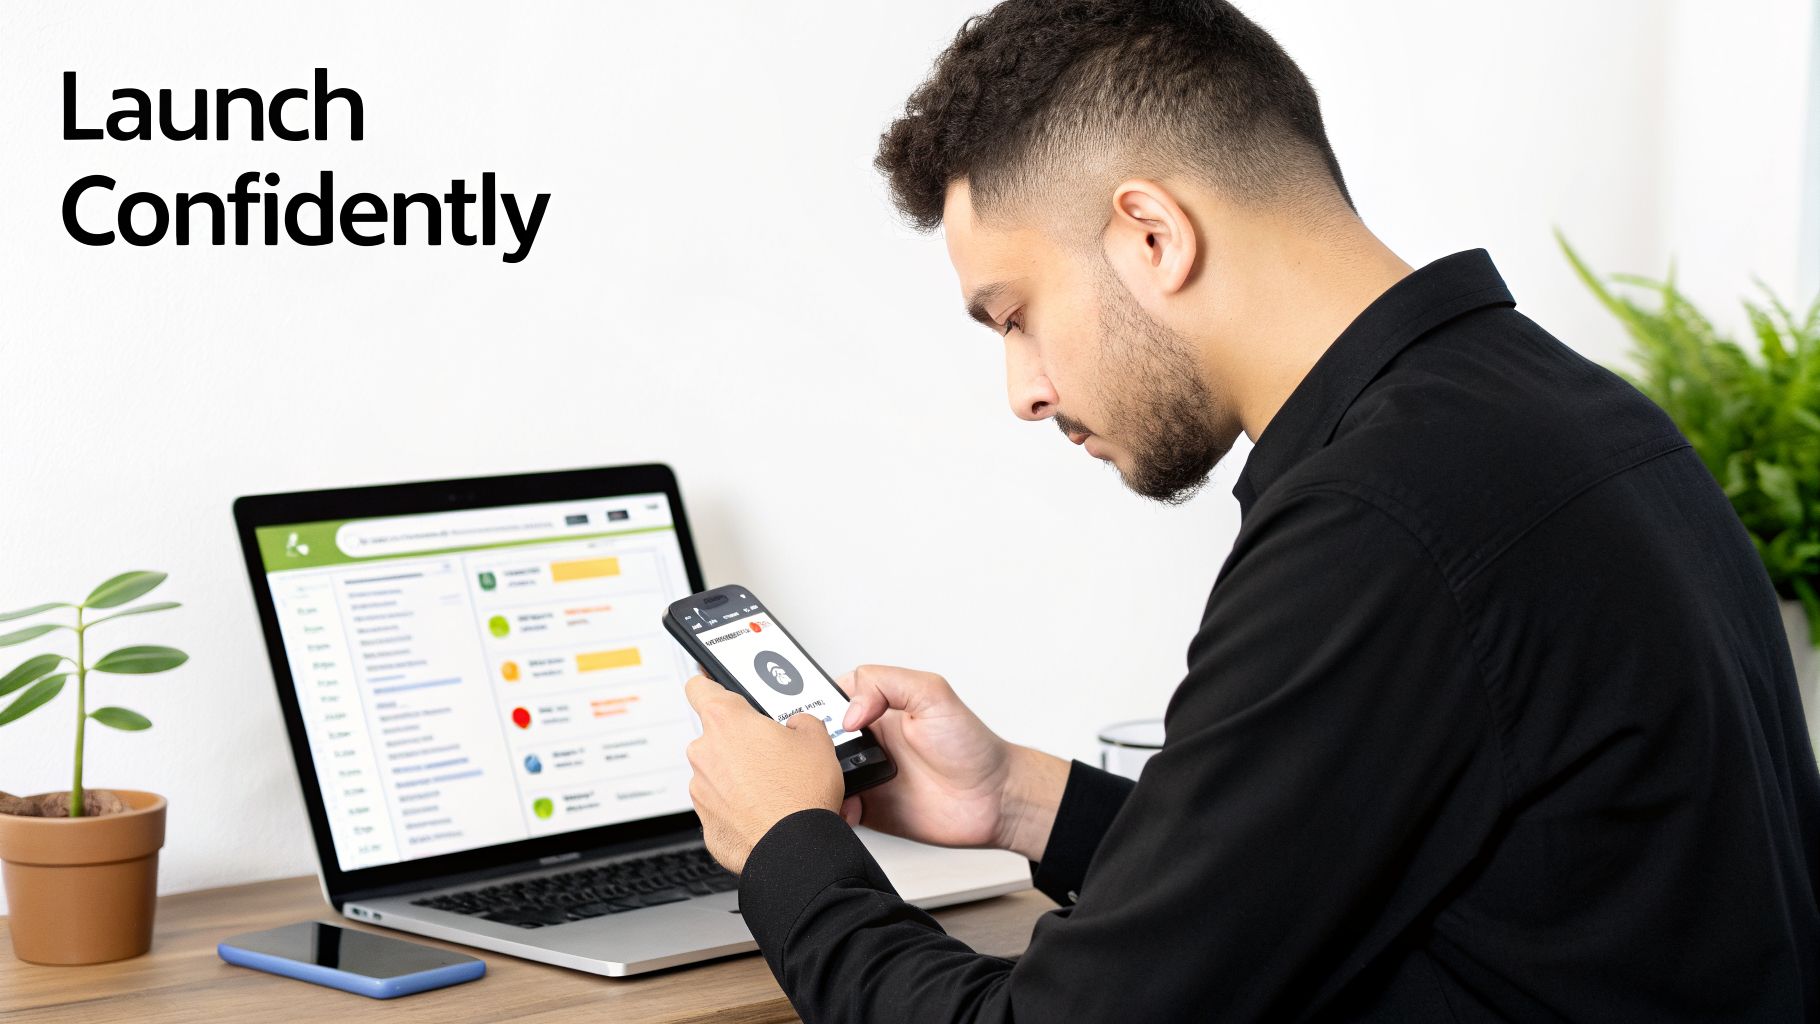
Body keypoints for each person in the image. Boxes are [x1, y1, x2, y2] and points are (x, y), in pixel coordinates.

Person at [680, 1, 1820, 1019]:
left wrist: (790, 852)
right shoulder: (1555, 413)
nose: (1021, 391)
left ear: (1150, 236)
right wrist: (1016, 797)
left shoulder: (1378, 524)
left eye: (1014, 313)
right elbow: (1328, 865)